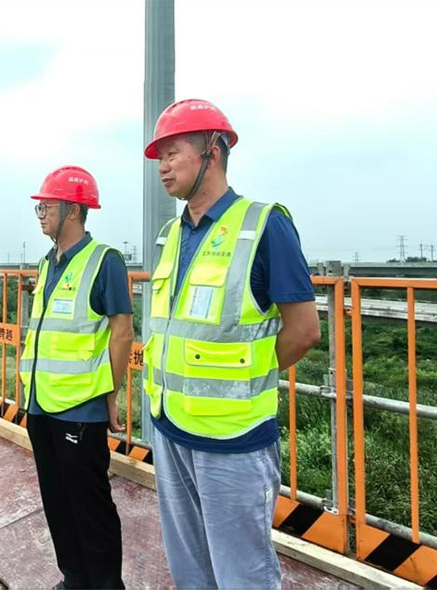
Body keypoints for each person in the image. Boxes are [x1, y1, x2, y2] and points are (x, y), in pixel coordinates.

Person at [142, 99, 321, 589]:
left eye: (172, 153)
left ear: (212, 152)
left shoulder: (263, 225)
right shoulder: (171, 235)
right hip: (170, 427)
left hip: (233, 441)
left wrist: (245, 375)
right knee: (190, 572)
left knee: (242, 574)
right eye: (159, 157)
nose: (162, 167)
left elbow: (304, 330)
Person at [19, 165, 134, 589]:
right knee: (57, 503)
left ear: (72, 210)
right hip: (40, 404)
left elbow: (122, 332)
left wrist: (111, 393)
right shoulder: (47, 263)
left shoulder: (104, 261)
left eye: (46, 206)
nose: (41, 214)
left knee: (90, 507)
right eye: (39, 208)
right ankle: (74, 580)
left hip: (80, 409)